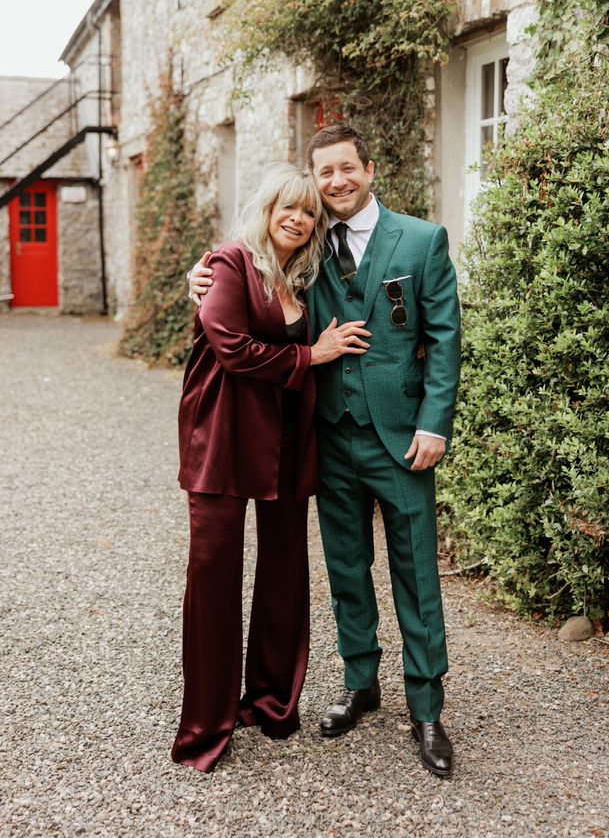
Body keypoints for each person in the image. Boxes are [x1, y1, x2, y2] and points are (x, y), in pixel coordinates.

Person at [188, 125, 461, 777]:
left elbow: (445, 339)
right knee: (344, 568)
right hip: (327, 438)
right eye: (324, 172)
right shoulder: (304, 249)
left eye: (346, 168)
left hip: (402, 439)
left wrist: (434, 422)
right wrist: (198, 276)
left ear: (370, 167)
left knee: (417, 575)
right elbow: (252, 286)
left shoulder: (422, 241)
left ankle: (426, 706)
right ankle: (359, 684)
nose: (335, 181)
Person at [172, 163, 370, 773]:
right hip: (224, 437)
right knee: (214, 573)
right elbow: (230, 348)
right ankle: (208, 722)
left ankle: (271, 700)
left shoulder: (304, 279)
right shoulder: (229, 263)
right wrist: (312, 354)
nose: (298, 218)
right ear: (264, 208)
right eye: (287, 206)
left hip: (287, 440)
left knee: (285, 568)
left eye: (309, 212)